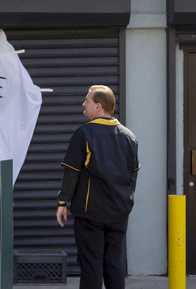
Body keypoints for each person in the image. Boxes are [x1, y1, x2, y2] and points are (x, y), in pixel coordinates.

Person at [56, 85, 140, 289]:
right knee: (115, 262)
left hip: (90, 212)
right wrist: (125, 201)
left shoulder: (84, 134)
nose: (84, 103)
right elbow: (133, 175)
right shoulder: (129, 136)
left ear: (98, 106)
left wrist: (62, 202)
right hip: (119, 212)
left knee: (91, 264)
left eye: (87, 100)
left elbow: (71, 172)